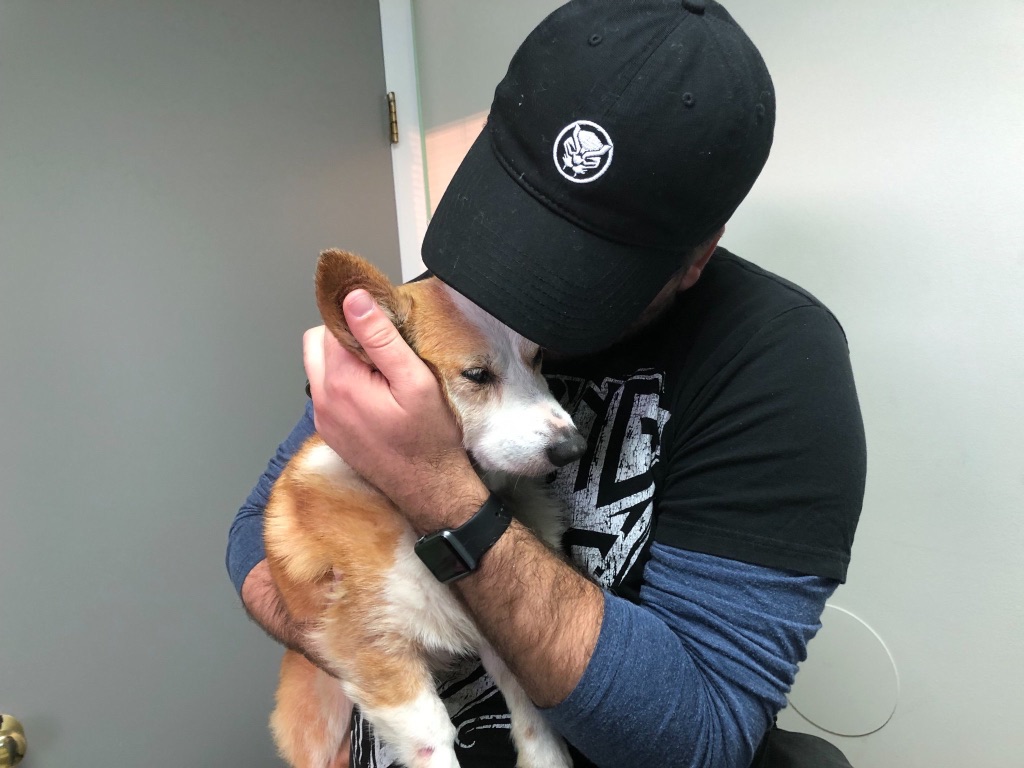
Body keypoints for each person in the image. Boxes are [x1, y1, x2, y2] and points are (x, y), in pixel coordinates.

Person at [227, 1, 867, 767]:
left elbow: (700, 737)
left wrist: (438, 490)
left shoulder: (779, 362)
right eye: (517, 224)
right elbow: (255, 546)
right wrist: (363, 642)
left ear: (696, 255)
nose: (516, 295)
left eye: (578, 269)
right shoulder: (441, 303)